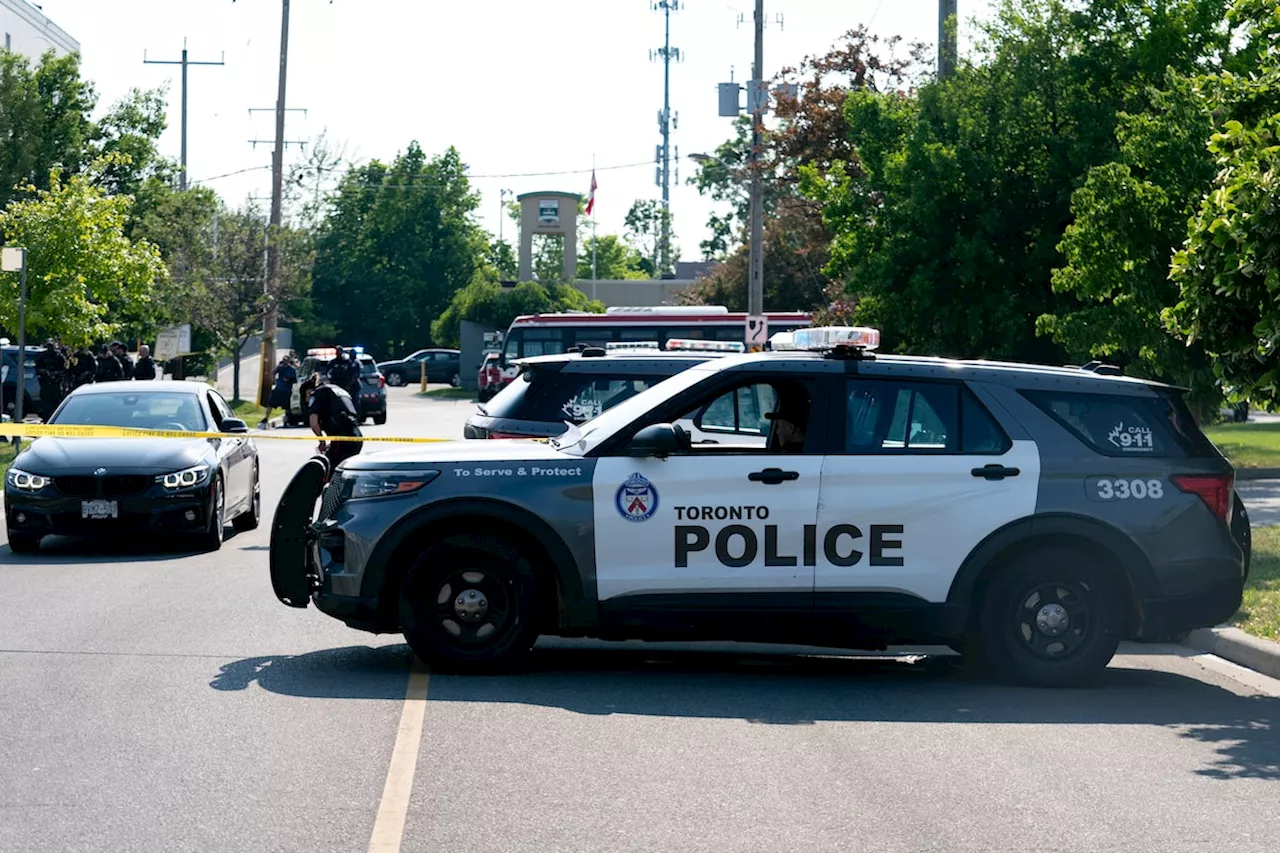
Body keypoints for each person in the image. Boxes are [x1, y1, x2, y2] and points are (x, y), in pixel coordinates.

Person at [300, 373, 363, 476]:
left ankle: (332, 491)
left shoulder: (316, 394)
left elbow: (313, 422)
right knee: (346, 470)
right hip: (356, 437)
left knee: (331, 471)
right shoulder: (336, 390)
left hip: (342, 438)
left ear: (307, 393)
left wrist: (322, 441)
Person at [260, 354, 298, 428]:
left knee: (286, 407)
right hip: (278, 389)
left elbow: (295, 380)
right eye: (284, 361)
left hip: (286, 390)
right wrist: (278, 367)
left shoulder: (292, 369)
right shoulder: (280, 368)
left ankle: (286, 421)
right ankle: (266, 418)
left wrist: (288, 379)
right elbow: (273, 373)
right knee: (270, 404)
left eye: (286, 361)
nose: (285, 362)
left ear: (288, 361)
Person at [35, 340, 67, 421]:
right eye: (48, 347)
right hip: (46, 383)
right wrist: (46, 372)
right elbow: (37, 368)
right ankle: (46, 418)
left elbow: (65, 369)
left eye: (51, 347)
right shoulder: (43, 356)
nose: (49, 349)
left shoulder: (59, 356)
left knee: (56, 402)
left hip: (56, 383)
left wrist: (56, 373)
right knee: (45, 403)